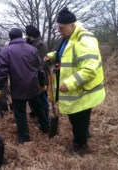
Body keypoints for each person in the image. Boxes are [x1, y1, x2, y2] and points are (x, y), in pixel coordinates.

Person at [44, 7, 106, 156]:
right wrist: (52, 56)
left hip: (83, 90)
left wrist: (70, 83)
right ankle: (84, 133)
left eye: (61, 27)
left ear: (72, 25)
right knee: (77, 117)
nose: (58, 30)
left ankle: (81, 145)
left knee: (79, 119)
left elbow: (89, 69)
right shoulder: (68, 37)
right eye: (58, 27)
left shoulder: (85, 40)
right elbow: (64, 54)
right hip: (75, 90)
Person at [0, 28, 49, 144]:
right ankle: (46, 128)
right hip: (34, 86)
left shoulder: (6, 51)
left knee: (20, 114)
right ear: (22, 36)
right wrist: (42, 84)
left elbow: (2, 72)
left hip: (18, 88)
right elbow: (40, 69)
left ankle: (24, 138)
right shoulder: (32, 49)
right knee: (39, 109)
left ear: (11, 38)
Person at [25, 25, 49, 122]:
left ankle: (45, 120)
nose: (25, 36)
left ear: (30, 35)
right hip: (33, 76)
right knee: (35, 98)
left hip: (40, 77)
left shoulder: (40, 45)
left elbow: (41, 64)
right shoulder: (31, 44)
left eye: (27, 35)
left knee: (42, 99)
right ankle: (37, 115)